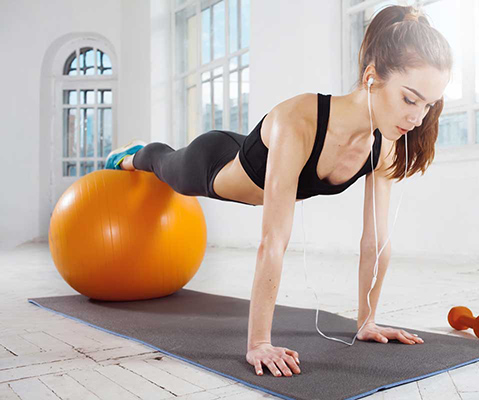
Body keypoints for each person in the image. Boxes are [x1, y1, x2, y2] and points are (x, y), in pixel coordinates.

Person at [105, 5, 453, 378]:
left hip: (265, 170)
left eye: (428, 105)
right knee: (162, 164)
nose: (418, 118)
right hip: (215, 166)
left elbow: (376, 243)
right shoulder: (299, 119)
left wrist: (366, 321)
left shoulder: (382, 146)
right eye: (410, 99)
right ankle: (130, 155)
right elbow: (273, 240)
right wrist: (259, 342)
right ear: (372, 77)